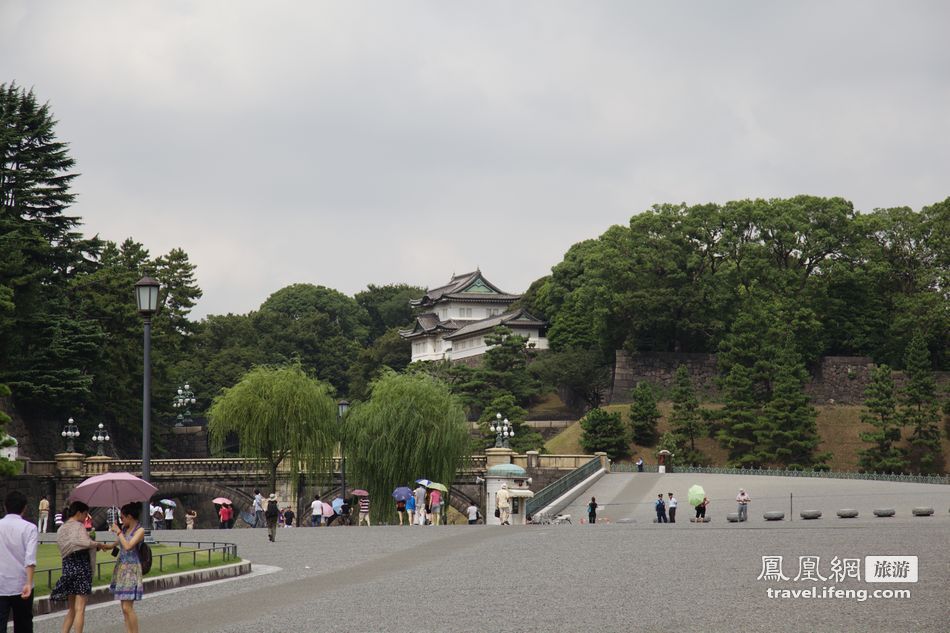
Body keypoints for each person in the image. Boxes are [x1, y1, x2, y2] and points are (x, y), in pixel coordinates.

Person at [52, 501, 111, 633]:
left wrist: (90, 542)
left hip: (67, 568)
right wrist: (95, 543)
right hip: (81, 569)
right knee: (80, 609)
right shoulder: (78, 526)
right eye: (85, 514)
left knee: (72, 609)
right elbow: (82, 542)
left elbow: (69, 545)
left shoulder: (61, 528)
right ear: (79, 513)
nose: (86, 517)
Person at [0, 491, 38, 633]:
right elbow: (30, 558)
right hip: (21, 584)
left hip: (1, 583)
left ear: (5, 507)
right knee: (23, 625)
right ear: (24, 508)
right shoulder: (29, 528)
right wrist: (28, 582)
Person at [109, 501, 145, 633]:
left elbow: (129, 546)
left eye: (122, 518)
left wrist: (118, 532)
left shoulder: (140, 530)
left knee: (127, 607)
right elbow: (117, 544)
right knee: (123, 607)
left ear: (129, 516)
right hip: (122, 568)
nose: (121, 520)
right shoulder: (124, 529)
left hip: (131, 569)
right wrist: (102, 546)